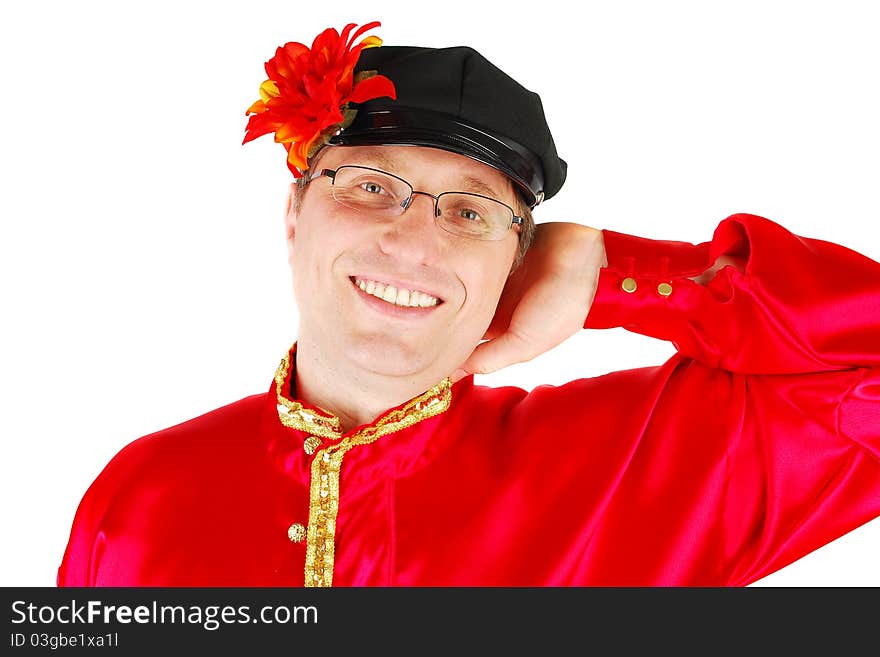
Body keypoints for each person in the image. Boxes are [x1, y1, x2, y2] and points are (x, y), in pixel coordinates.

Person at [57, 21, 880, 587]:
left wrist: (618, 273)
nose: (415, 243)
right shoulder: (139, 494)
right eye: (373, 186)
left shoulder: (654, 467)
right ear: (294, 214)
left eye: (470, 211)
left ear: (519, 262)